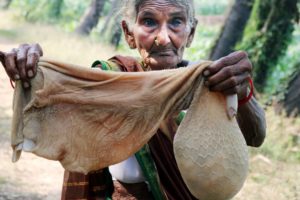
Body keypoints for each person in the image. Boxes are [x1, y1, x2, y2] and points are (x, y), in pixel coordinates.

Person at [0, 0, 266, 199]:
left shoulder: (212, 82)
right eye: (149, 22)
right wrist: (33, 69)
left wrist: (244, 91)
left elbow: (255, 137)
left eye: (176, 22)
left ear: (191, 32)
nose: (163, 38)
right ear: (129, 33)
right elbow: (59, 99)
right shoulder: (112, 81)